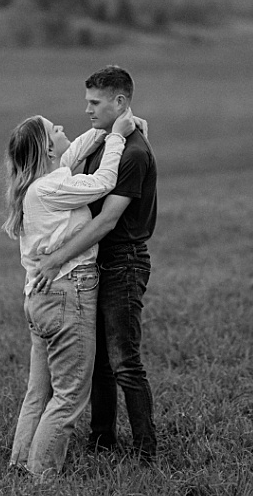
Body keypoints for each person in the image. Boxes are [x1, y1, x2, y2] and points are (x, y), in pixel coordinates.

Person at [32, 65, 159, 460]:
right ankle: (102, 441)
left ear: (119, 102)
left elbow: (107, 220)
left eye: (95, 102)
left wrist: (56, 259)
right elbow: (68, 163)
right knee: (99, 360)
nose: (86, 109)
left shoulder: (133, 152)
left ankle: (146, 451)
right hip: (99, 260)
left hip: (124, 261)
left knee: (124, 361)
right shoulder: (106, 142)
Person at [2, 108, 136, 477]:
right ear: (47, 149)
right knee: (69, 394)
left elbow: (74, 151)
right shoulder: (52, 188)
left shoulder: (41, 183)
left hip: (40, 300)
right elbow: (103, 182)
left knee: (38, 393)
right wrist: (117, 138)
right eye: (55, 129)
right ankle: (41, 476)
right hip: (67, 293)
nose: (63, 128)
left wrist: (108, 126)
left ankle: (20, 464)